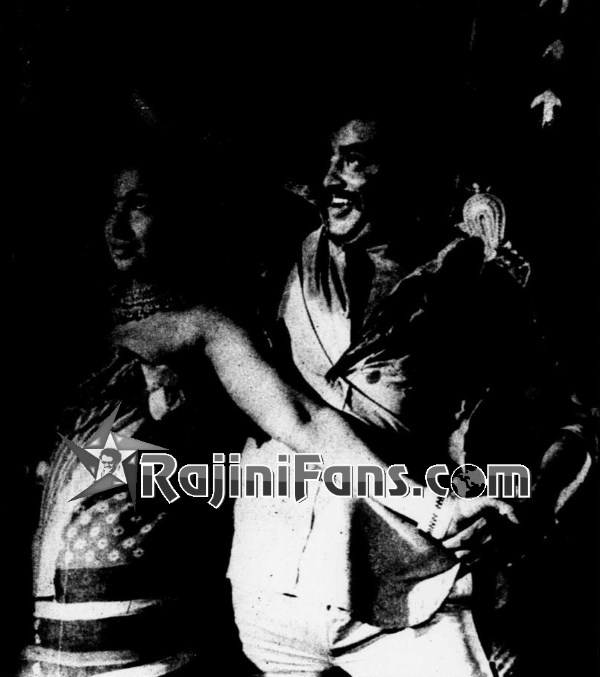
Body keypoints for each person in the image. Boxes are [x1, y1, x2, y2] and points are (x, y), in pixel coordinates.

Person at [20, 139, 504, 677]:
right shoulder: (68, 332)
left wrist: (431, 508)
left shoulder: (206, 327)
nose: (117, 226)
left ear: (180, 213)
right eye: (109, 207)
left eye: (139, 205)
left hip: (148, 649)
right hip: (40, 649)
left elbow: (306, 423)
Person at [221, 116, 595, 677]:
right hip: (274, 586)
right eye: (328, 161)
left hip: (414, 590)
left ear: (408, 171)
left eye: (354, 160)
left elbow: (569, 419)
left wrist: (529, 512)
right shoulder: (279, 264)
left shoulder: (478, 285)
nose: (331, 180)